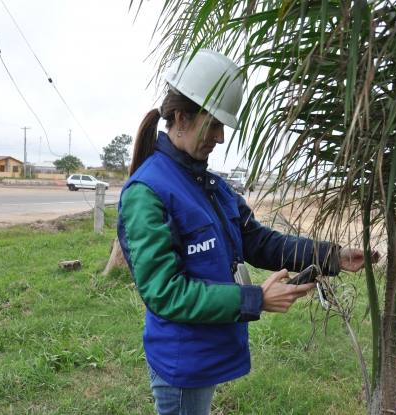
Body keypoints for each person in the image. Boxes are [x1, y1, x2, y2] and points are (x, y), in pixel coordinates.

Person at [117, 49, 378, 415]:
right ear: (181, 118)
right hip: (184, 362)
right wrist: (254, 299)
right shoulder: (147, 192)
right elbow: (164, 293)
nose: (221, 138)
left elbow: (257, 241)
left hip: (206, 353)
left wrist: (329, 256)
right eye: (214, 125)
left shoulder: (210, 184)